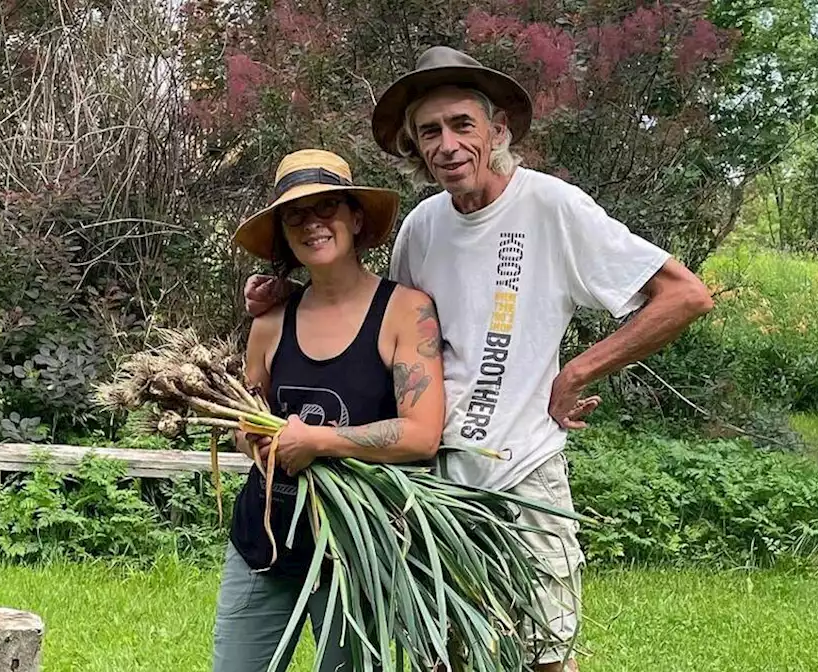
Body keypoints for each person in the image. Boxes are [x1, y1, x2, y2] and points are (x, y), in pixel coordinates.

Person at [246, 47, 715, 671]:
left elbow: (683, 295)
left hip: (523, 474)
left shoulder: (552, 207)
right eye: (429, 133)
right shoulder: (423, 226)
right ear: (415, 149)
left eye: (462, 125)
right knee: (444, 656)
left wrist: (578, 370)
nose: (447, 145)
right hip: (431, 485)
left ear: (498, 131)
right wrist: (287, 294)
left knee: (546, 655)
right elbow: (373, 323)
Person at [215, 148, 447, 672]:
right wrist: (256, 437)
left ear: (356, 218)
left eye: (327, 209)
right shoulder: (272, 319)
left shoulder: (406, 311)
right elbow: (244, 424)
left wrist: (317, 442)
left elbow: (422, 433)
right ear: (283, 235)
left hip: (354, 550)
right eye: (295, 215)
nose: (312, 224)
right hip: (263, 544)